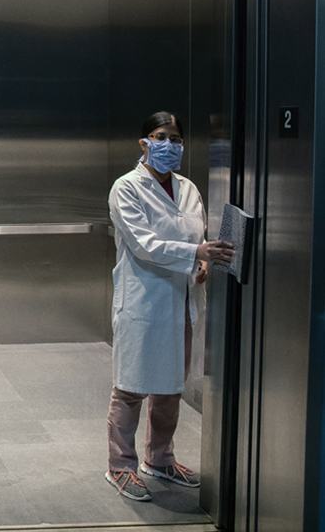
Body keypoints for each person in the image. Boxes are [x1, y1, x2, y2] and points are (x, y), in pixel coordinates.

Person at [104, 111, 234, 501]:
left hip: (183, 301)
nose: (170, 145)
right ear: (144, 143)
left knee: (171, 387)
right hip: (144, 301)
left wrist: (205, 261)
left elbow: (200, 234)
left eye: (176, 139)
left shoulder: (189, 189)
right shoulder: (126, 188)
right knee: (130, 387)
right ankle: (120, 467)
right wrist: (195, 250)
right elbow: (144, 244)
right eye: (161, 137)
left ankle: (160, 459)